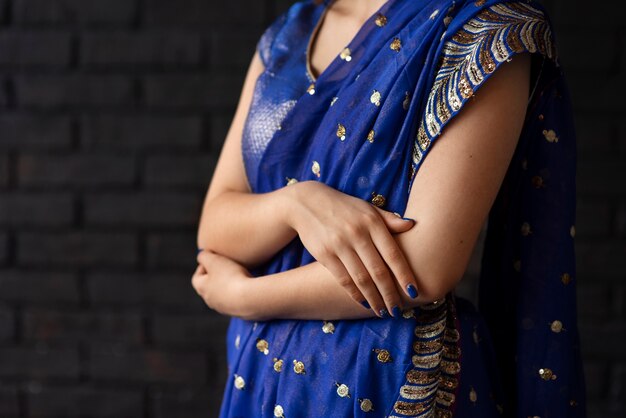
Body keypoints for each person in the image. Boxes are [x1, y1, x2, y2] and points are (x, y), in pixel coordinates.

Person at [192, 0, 587, 416]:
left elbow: (423, 267)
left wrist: (244, 295)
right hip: (261, 375)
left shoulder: (483, 28)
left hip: (381, 378)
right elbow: (216, 221)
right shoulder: (291, 32)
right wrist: (297, 204)